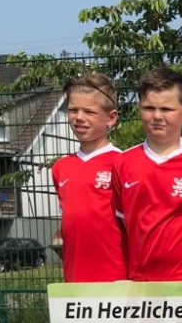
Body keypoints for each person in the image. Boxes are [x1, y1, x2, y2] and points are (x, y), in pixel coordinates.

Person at [113, 67, 182, 282]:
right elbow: (125, 222)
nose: (157, 116)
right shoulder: (122, 163)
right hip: (144, 279)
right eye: (149, 108)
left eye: (166, 109)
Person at [51, 74, 128, 282]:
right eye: (73, 110)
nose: (79, 117)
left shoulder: (124, 163)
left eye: (89, 111)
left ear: (111, 118)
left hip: (117, 280)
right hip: (75, 281)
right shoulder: (60, 168)